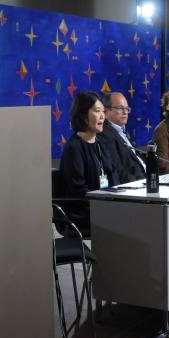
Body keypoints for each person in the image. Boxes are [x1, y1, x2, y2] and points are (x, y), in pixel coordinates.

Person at [59, 91, 119, 237]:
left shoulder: (101, 144)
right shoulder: (74, 147)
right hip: (83, 213)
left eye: (103, 111)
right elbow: (78, 189)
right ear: (83, 115)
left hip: (103, 206)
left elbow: (113, 175)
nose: (102, 116)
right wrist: (104, 205)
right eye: (97, 111)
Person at [98, 92, 146, 183]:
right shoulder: (104, 134)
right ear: (106, 111)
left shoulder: (121, 131)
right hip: (135, 185)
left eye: (127, 109)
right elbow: (118, 169)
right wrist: (141, 184)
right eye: (120, 108)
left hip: (146, 179)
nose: (125, 112)